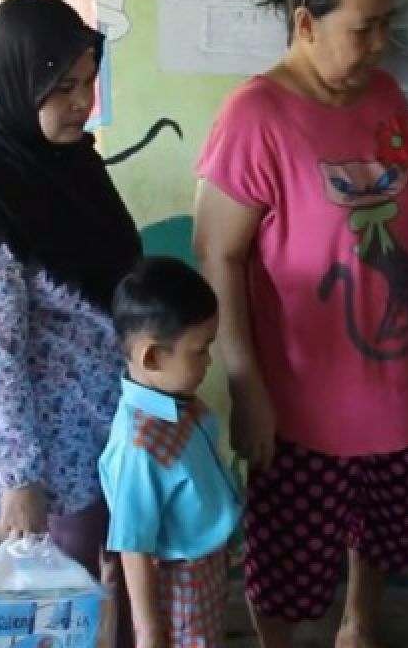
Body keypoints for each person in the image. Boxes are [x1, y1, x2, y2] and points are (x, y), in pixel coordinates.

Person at [193, 0, 408, 648]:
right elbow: (218, 255)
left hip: (397, 382)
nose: (382, 43)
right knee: (291, 568)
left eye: (390, 23)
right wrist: (247, 386)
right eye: (364, 28)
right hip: (301, 398)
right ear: (306, 23)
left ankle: (360, 628)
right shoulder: (255, 116)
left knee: (385, 536)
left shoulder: (385, 96)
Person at [0, 0, 140, 646]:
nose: (82, 102)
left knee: (126, 583)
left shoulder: (69, 163)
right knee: (57, 611)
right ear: (17, 84)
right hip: (54, 461)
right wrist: (21, 480)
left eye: (86, 83)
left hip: (115, 428)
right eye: (61, 87)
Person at [99, 257, 242, 648]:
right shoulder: (139, 445)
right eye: (200, 351)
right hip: (180, 584)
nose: (209, 361)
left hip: (206, 566)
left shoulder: (177, 401)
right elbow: (132, 544)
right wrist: (149, 632)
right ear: (152, 357)